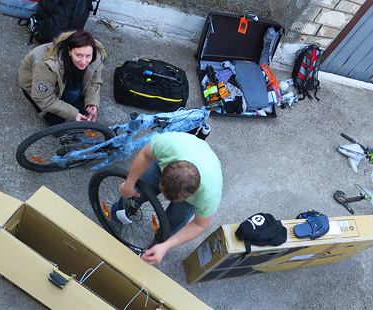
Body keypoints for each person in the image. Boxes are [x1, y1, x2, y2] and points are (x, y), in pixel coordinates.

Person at [119, 132, 223, 264]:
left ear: (191, 195)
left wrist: (166, 246)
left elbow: (199, 225)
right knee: (137, 191)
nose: (165, 199)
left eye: (171, 199)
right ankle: (119, 214)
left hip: (205, 174)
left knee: (174, 222)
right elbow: (145, 154)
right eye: (164, 193)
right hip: (178, 154)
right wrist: (129, 184)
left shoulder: (209, 194)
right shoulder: (169, 145)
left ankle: (160, 241)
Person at [18, 30, 107, 126]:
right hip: (37, 87)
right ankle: (53, 121)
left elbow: (94, 81)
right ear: (69, 51)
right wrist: (74, 114)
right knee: (73, 95)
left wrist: (92, 103)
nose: (84, 61)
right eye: (79, 55)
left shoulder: (96, 57)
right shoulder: (46, 65)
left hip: (63, 80)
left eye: (88, 56)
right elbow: (43, 98)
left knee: (85, 110)